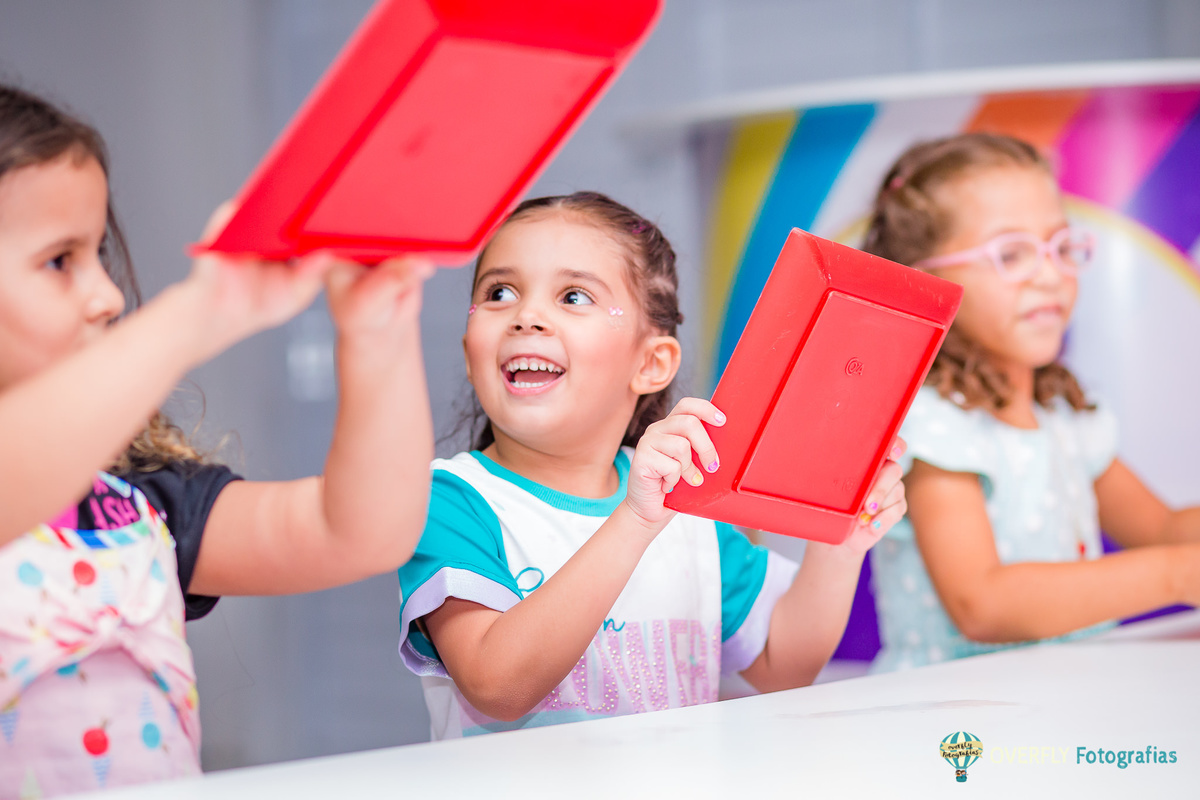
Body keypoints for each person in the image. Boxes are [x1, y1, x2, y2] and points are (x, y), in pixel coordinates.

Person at [0, 84, 434, 796]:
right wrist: (203, 310)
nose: (108, 295)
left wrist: (375, 332)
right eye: (59, 261)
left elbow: (356, 532)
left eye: (98, 253)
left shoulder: (135, 503)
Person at [396, 191, 906, 739]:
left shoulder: (685, 501)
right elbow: (498, 686)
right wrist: (636, 521)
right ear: (471, 354)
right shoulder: (448, 499)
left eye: (573, 296)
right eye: (500, 292)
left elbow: (784, 665)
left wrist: (842, 543)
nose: (527, 316)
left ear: (651, 363)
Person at [863, 132, 1200, 672]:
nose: (1051, 275)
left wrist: (1180, 553)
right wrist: (1178, 575)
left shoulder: (1063, 415)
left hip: (1058, 702)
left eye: (1061, 247)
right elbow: (983, 602)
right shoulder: (933, 426)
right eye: (1011, 255)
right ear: (927, 282)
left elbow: (1159, 528)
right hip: (950, 723)